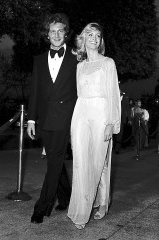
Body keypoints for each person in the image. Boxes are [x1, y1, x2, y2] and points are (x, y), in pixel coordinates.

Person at [67, 23, 121, 229]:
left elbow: (113, 95)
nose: (95, 38)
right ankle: (82, 206)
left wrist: (111, 122)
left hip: (101, 115)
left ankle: (102, 203)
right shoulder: (79, 66)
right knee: (81, 163)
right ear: (83, 38)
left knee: (100, 162)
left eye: (98, 35)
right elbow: (79, 95)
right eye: (90, 34)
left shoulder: (108, 63)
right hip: (80, 115)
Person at [27, 13, 77, 224]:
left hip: (66, 117)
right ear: (46, 35)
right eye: (52, 31)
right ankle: (66, 197)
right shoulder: (38, 60)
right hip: (46, 119)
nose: (56, 34)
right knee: (55, 160)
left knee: (55, 159)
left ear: (66, 33)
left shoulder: (76, 58)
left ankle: (42, 206)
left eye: (60, 30)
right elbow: (35, 91)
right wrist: (31, 119)